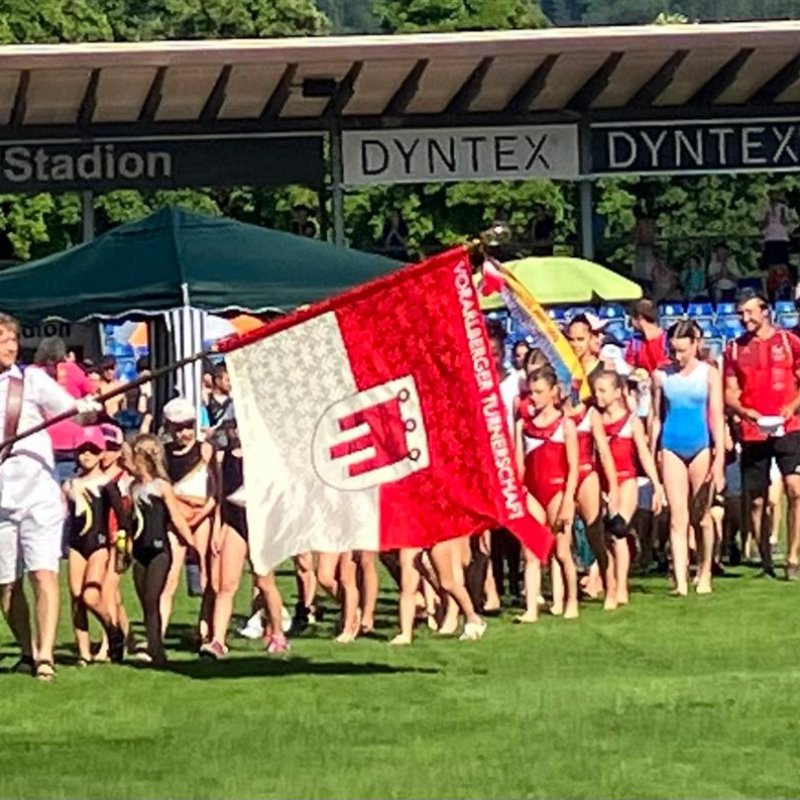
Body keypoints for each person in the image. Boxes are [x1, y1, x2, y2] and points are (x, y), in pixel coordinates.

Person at [0, 314, 100, 681]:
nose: (11, 345)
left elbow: (74, 413)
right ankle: (26, 651)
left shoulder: (31, 380)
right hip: (0, 501)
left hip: (39, 493)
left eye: (13, 338)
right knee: (6, 585)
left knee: (43, 575)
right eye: (3, 339)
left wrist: (87, 410)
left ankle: (45, 656)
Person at [724, 290, 800, 580]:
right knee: (756, 499)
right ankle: (765, 557)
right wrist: (746, 413)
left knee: (795, 488)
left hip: (789, 427)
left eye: (750, 312)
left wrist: (791, 407)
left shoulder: (789, 342)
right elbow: (730, 392)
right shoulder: (734, 348)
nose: (745, 319)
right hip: (753, 429)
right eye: (741, 314)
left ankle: (793, 557)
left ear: (765, 310)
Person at [203, 419, 289, 657]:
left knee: (264, 582)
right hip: (234, 520)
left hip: (258, 524)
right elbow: (221, 494)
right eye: (232, 426)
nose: (235, 431)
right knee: (226, 584)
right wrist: (218, 528)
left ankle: (278, 633)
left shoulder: (261, 454)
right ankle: (218, 641)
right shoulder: (226, 457)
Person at [651, 321, 725, 596]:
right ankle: (681, 580)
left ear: (695, 344)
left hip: (701, 446)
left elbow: (717, 415)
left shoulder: (709, 374)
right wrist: (653, 450)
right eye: (673, 351)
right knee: (677, 518)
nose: (677, 357)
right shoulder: (661, 376)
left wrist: (718, 458)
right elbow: (657, 417)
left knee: (702, 515)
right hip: (671, 446)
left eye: (682, 350)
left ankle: (705, 571)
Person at [593, 371, 664, 605]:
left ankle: (620, 586)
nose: (598, 395)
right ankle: (608, 581)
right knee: (604, 538)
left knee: (618, 530)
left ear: (616, 392)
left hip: (626, 480)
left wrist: (656, 484)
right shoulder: (595, 420)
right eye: (596, 390)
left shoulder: (631, 421)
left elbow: (643, 455)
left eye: (603, 390)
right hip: (602, 482)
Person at [517, 366, 580, 620]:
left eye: (540, 392)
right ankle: (531, 608)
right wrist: (520, 491)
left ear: (553, 392)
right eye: (531, 392)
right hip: (533, 492)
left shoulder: (565, 426)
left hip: (557, 490)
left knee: (562, 552)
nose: (534, 397)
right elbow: (519, 463)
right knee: (531, 552)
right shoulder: (524, 425)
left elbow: (573, 466)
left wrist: (567, 500)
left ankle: (571, 600)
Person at [63, 426, 127, 665]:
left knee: (91, 595)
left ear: (101, 453)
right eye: (82, 451)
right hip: (76, 544)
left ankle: (113, 629)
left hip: (99, 544)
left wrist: (121, 545)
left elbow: (122, 517)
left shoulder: (106, 484)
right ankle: (83, 652)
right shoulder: (70, 484)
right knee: (76, 597)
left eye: (92, 450)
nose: (86, 455)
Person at [129, 434, 194, 665]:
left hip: (159, 550)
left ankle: (156, 648)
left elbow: (176, 517)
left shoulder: (161, 487)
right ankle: (154, 645)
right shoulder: (133, 487)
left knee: (152, 598)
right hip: (140, 551)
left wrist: (191, 543)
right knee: (145, 603)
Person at [162, 397, 217, 641]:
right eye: (177, 427)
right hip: (176, 518)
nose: (182, 433)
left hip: (202, 515)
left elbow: (215, 490)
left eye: (187, 426)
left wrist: (201, 514)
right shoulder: (164, 454)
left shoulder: (205, 449)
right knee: (170, 575)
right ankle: (159, 631)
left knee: (207, 573)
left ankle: (205, 628)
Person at [31, 336, 97, 484]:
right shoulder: (73, 369)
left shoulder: (31, 374)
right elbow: (93, 392)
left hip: (41, 442)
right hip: (72, 441)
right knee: (70, 492)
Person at [625, 299, 670, 375]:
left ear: (639, 318)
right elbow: (629, 367)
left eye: (631, 318)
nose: (631, 323)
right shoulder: (635, 343)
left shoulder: (668, 341)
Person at [632, 204, 656, 292]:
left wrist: (634, 243)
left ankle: (643, 286)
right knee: (649, 270)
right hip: (650, 246)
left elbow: (637, 235)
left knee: (641, 270)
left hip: (642, 247)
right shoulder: (652, 223)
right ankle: (649, 287)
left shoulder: (640, 223)